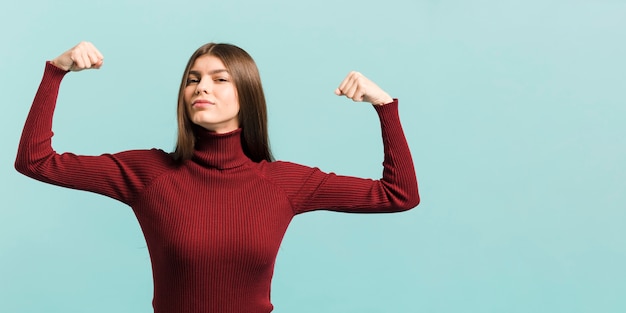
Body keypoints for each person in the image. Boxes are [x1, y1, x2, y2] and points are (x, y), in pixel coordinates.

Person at [15, 41, 420, 313]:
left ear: (246, 94)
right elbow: (35, 161)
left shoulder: (283, 183)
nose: (200, 88)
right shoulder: (147, 173)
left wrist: (384, 106)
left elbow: (399, 195)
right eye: (193, 79)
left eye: (218, 78)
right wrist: (56, 70)